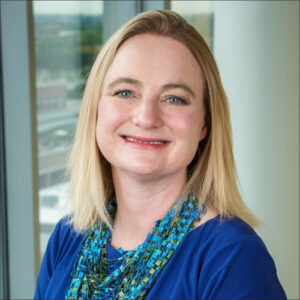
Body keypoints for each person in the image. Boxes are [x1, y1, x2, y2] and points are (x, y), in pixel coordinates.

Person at [34, 10, 286, 300]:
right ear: (96, 109)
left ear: (204, 123)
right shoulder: (67, 237)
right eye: (125, 92)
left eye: (174, 98)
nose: (146, 117)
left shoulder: (232, 258)